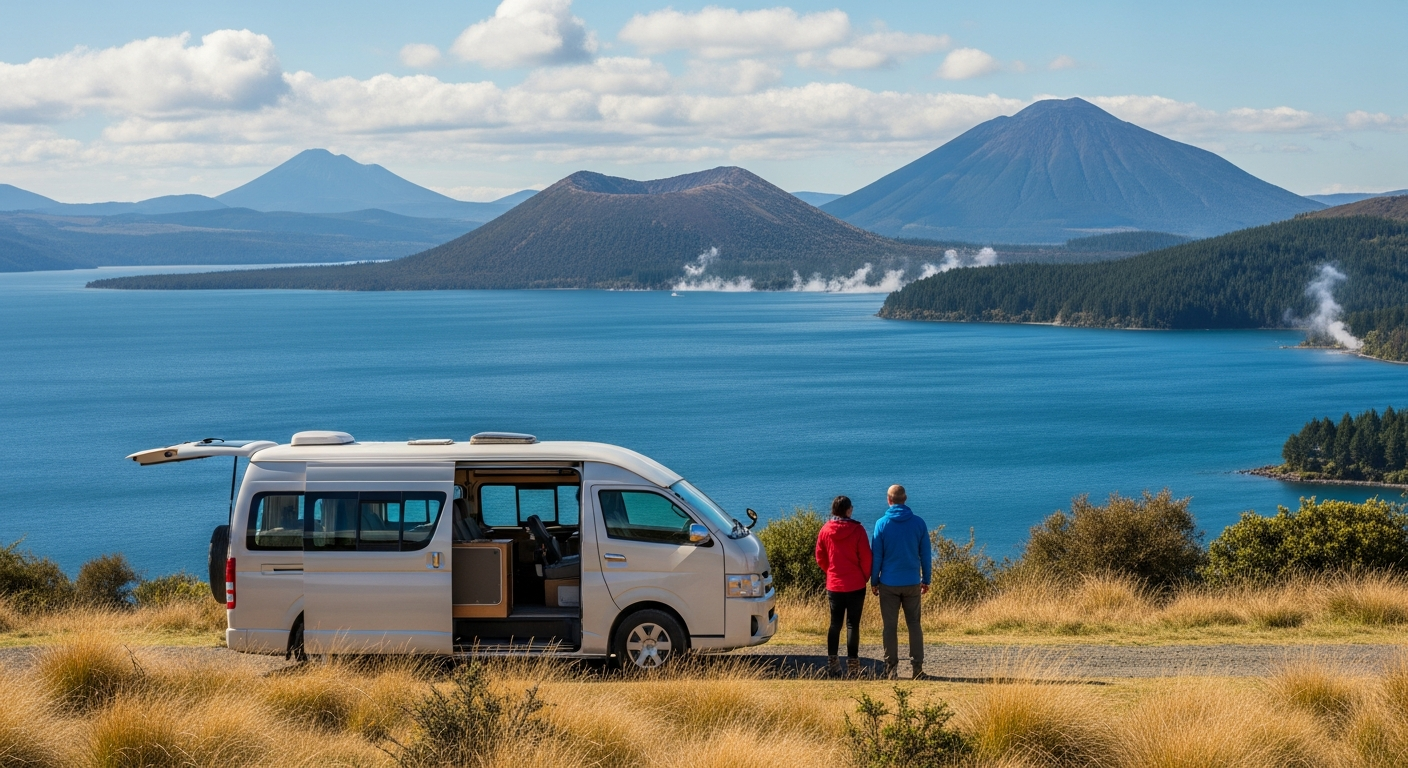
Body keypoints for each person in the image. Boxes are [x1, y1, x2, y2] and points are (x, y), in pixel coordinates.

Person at [870, 484, 931, 679]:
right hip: (912, 581)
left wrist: (874, 580)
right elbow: (925, 555)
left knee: (890, 626)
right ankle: (917, 669)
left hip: (888, 583)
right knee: (914, 624)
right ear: (905, 499)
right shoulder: (919, 523)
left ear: (889, 500)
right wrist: (926, 579)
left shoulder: (881, 524)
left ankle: (891, 669)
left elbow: (877, 556)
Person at [814, 495, 872, 677]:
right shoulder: (858, 530)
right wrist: (864, 577)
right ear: (848, 510)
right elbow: (866, 557)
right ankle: (853, 666)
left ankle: (833, 664)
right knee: (852, 625)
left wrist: (831, 571)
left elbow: (820, 557)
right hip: (855, 584)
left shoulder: (825, 529)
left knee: (835, 624)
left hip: (834, 584)